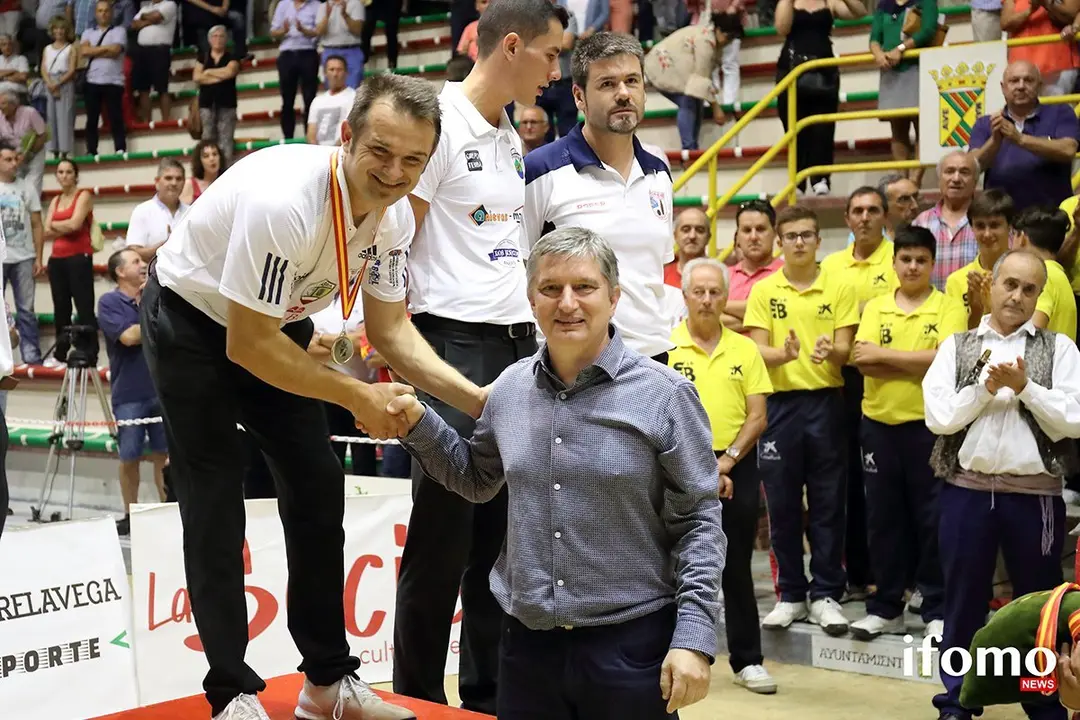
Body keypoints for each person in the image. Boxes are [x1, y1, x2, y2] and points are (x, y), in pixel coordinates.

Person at [140, 73, 486, 720]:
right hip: (191, 319)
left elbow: (390, 330)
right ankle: (231, 691)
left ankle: (327, 682)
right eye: (380, 151)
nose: (394, 173)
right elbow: (248, 345)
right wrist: (357, 397)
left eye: (413, 160)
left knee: (319, 483)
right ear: (346, 135)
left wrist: (476, 399)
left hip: (272, 321)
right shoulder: (286, 203)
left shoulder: (392, 220)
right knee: (214, 495)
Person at [393, 227, 724, 720]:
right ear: (532, 301)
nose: (567, 303)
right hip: (526, 652)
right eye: (551, 288)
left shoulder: (665, 396)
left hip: (631, 649)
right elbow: (477, 480)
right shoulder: (508, 390)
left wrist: (694, 638)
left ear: (614, 297)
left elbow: (699, 522)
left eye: (584, 287)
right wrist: (418, 424)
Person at [391, 0, 568, 711]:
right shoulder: (436, 122)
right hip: (451, 345)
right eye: (552, 54)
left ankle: (485, 697)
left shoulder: (508, 133)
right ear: (513, 46)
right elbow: (396, 243)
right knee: (441, 541)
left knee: (499, 544)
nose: (556, 71)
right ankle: (416, 699)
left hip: (516, 347)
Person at [924, 249, 1080, 720]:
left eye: (1029, 289)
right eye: (1010, 284)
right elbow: (939, 417)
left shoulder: (1060, 349)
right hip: (965, 491)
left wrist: (1026, 388)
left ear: (1039, 296)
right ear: (991, 285)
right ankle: (957, 701)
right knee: (962, 600)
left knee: (1038, 610)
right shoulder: (958, 346)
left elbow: (1074, 420)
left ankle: (1044, 704)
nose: (1017, 296)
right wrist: (984, 390)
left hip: (1035, 497)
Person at [524, 31, 675, 362]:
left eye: (632, 81)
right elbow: (519, 270)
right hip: (573, 362)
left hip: (653, 358)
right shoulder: (541, 169)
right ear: (579, 97)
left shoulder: (659, 171)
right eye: (607, 84)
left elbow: (655, 271)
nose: (623, 94)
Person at [744, 204, 858, 635]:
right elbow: (757, 351)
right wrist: (784, 354)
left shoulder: (839, 286)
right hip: (780, 408)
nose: (798, 242)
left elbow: (847, 348)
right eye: (790, 236)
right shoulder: (764, 291)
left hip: (826, 404)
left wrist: (833, 351)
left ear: (817, 240)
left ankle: (826, 593)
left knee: (828, 504)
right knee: (783, 506)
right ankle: (790, 594)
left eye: (806, 235)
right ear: (780, 241)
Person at [848, 225, 966, 641]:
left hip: (928, 427)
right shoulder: (877, 307)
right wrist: (916, 361)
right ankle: (886, 607)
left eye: (921, 260)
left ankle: (936, 607)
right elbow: (862, 361)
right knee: (883, 520)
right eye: (906, 259)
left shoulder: (948, 307)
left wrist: (885, 356)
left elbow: (946, 362)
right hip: (878, 427)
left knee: (931, 520)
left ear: (933, 264)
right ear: (894, 262)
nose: (913, 266)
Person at [669, 256, 776, 695]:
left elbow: (758, 415)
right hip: (677, 461)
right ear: (685, 296)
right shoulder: (666, 347)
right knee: (670, 563)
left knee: (734, 563)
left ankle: (748, 660)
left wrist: (726, 462)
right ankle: (668, 655)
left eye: (715, 292)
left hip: (736, 461)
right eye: (699, 291)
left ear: (726, 297)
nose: (707, 300)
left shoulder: (745, 349)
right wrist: (700, 468)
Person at [98, 248, 168, 536]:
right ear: (119, 271)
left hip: (162, 390)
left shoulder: (155, 294)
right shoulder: (109, 302)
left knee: (165, 456)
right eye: (136, 261)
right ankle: (130, 514)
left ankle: (169, 509)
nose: (142, 265)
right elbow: (127, 337)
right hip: (129, 393)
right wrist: (156, 320)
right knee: (129, 457)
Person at [944, 188, 1014, 329]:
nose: (987, 234)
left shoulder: (1026, 273)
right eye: (980, 226)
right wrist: (976, 310)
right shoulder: (956, 281)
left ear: (1010, 226)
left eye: (994, 225)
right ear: (972, 228)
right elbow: (959, 338)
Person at [1012, 205, 1078, 341]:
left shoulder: (1043, 276)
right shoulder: (1058, 275)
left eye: (1013, 235)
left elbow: (1031, 336)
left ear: (1022, 238)